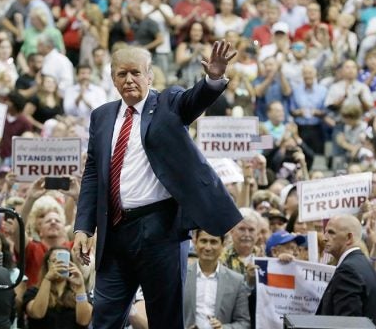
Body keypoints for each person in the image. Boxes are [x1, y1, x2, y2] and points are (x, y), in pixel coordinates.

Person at [73, 41, 243, 329]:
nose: (129, 80)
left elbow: (194, 100)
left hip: (160, 230)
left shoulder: (168, 102)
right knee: (103, 320)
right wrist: (83, 227)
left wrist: (213, 80)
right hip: (113, 232)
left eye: (136, 73)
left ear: (149, 75)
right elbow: (92, 173)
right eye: (122, 74)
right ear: (113, 79)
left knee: (165, 320)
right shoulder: (101, 116)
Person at [316, 214, 376, 328]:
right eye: (325, 232)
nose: (324, 238)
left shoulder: (348, 271)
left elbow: (347, 325)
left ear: (349, 238)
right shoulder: (362, 265)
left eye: (331, 232)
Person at [183, 230, 250, 329]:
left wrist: (223, 328)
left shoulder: (236, 281)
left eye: (213, 242)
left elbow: (244, 323)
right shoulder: (182, 277)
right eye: (203, 241)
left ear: (223, 245)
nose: (208, 247)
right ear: (195, 242)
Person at [24, 247, 92, 329]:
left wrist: (80, 287)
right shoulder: (33, 292)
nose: (60, 265)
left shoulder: (80, 293)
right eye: (54, 261)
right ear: (47, 265)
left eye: (64, 262)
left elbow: (84, 321)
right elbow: (37, 314)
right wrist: (47, 279)